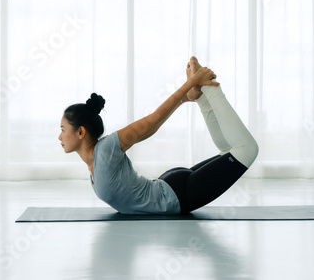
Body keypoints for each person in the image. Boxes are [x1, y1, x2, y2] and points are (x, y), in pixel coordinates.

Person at [58, 57, 259, 214]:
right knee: (229, 153)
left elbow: (153, 122)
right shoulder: (95, 164)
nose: (60, 138)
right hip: (170, 189)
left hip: (178, 196)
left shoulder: (106, 149)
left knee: (246, 150)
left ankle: (207, 85)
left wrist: (189, 84)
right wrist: (187, 95)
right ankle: (200, 96)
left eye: (62, 130)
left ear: (81, 132)